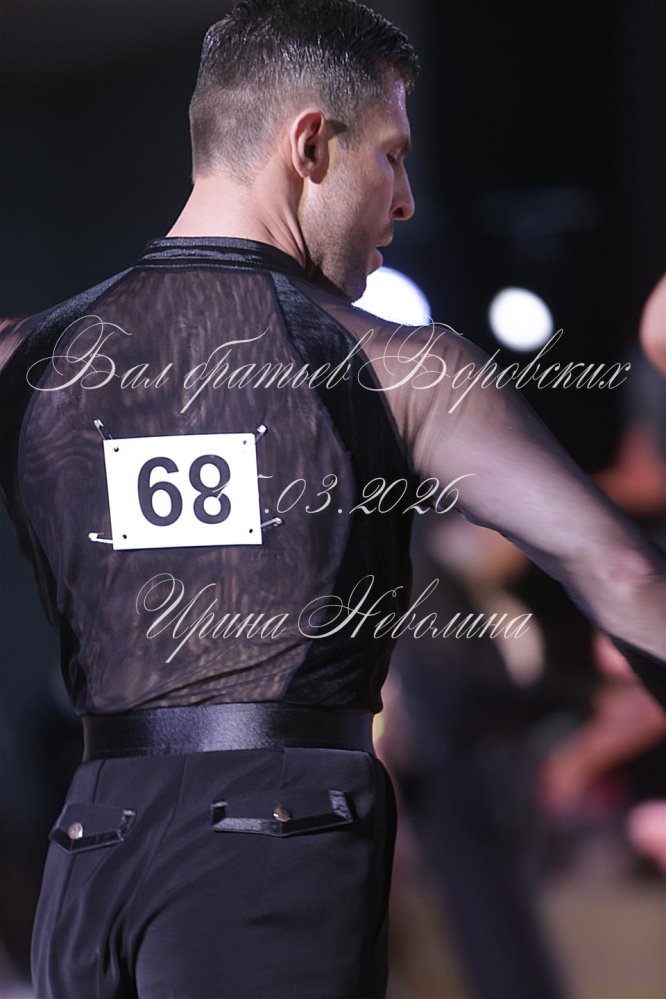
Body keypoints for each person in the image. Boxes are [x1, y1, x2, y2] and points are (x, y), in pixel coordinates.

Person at [0, 1, 664, 996]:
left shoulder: (28, 355)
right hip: (276, 851)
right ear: (311, 145)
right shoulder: (396, 366)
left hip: (91, 853)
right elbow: (618, 569)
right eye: (392, 156)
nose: (406, 199)